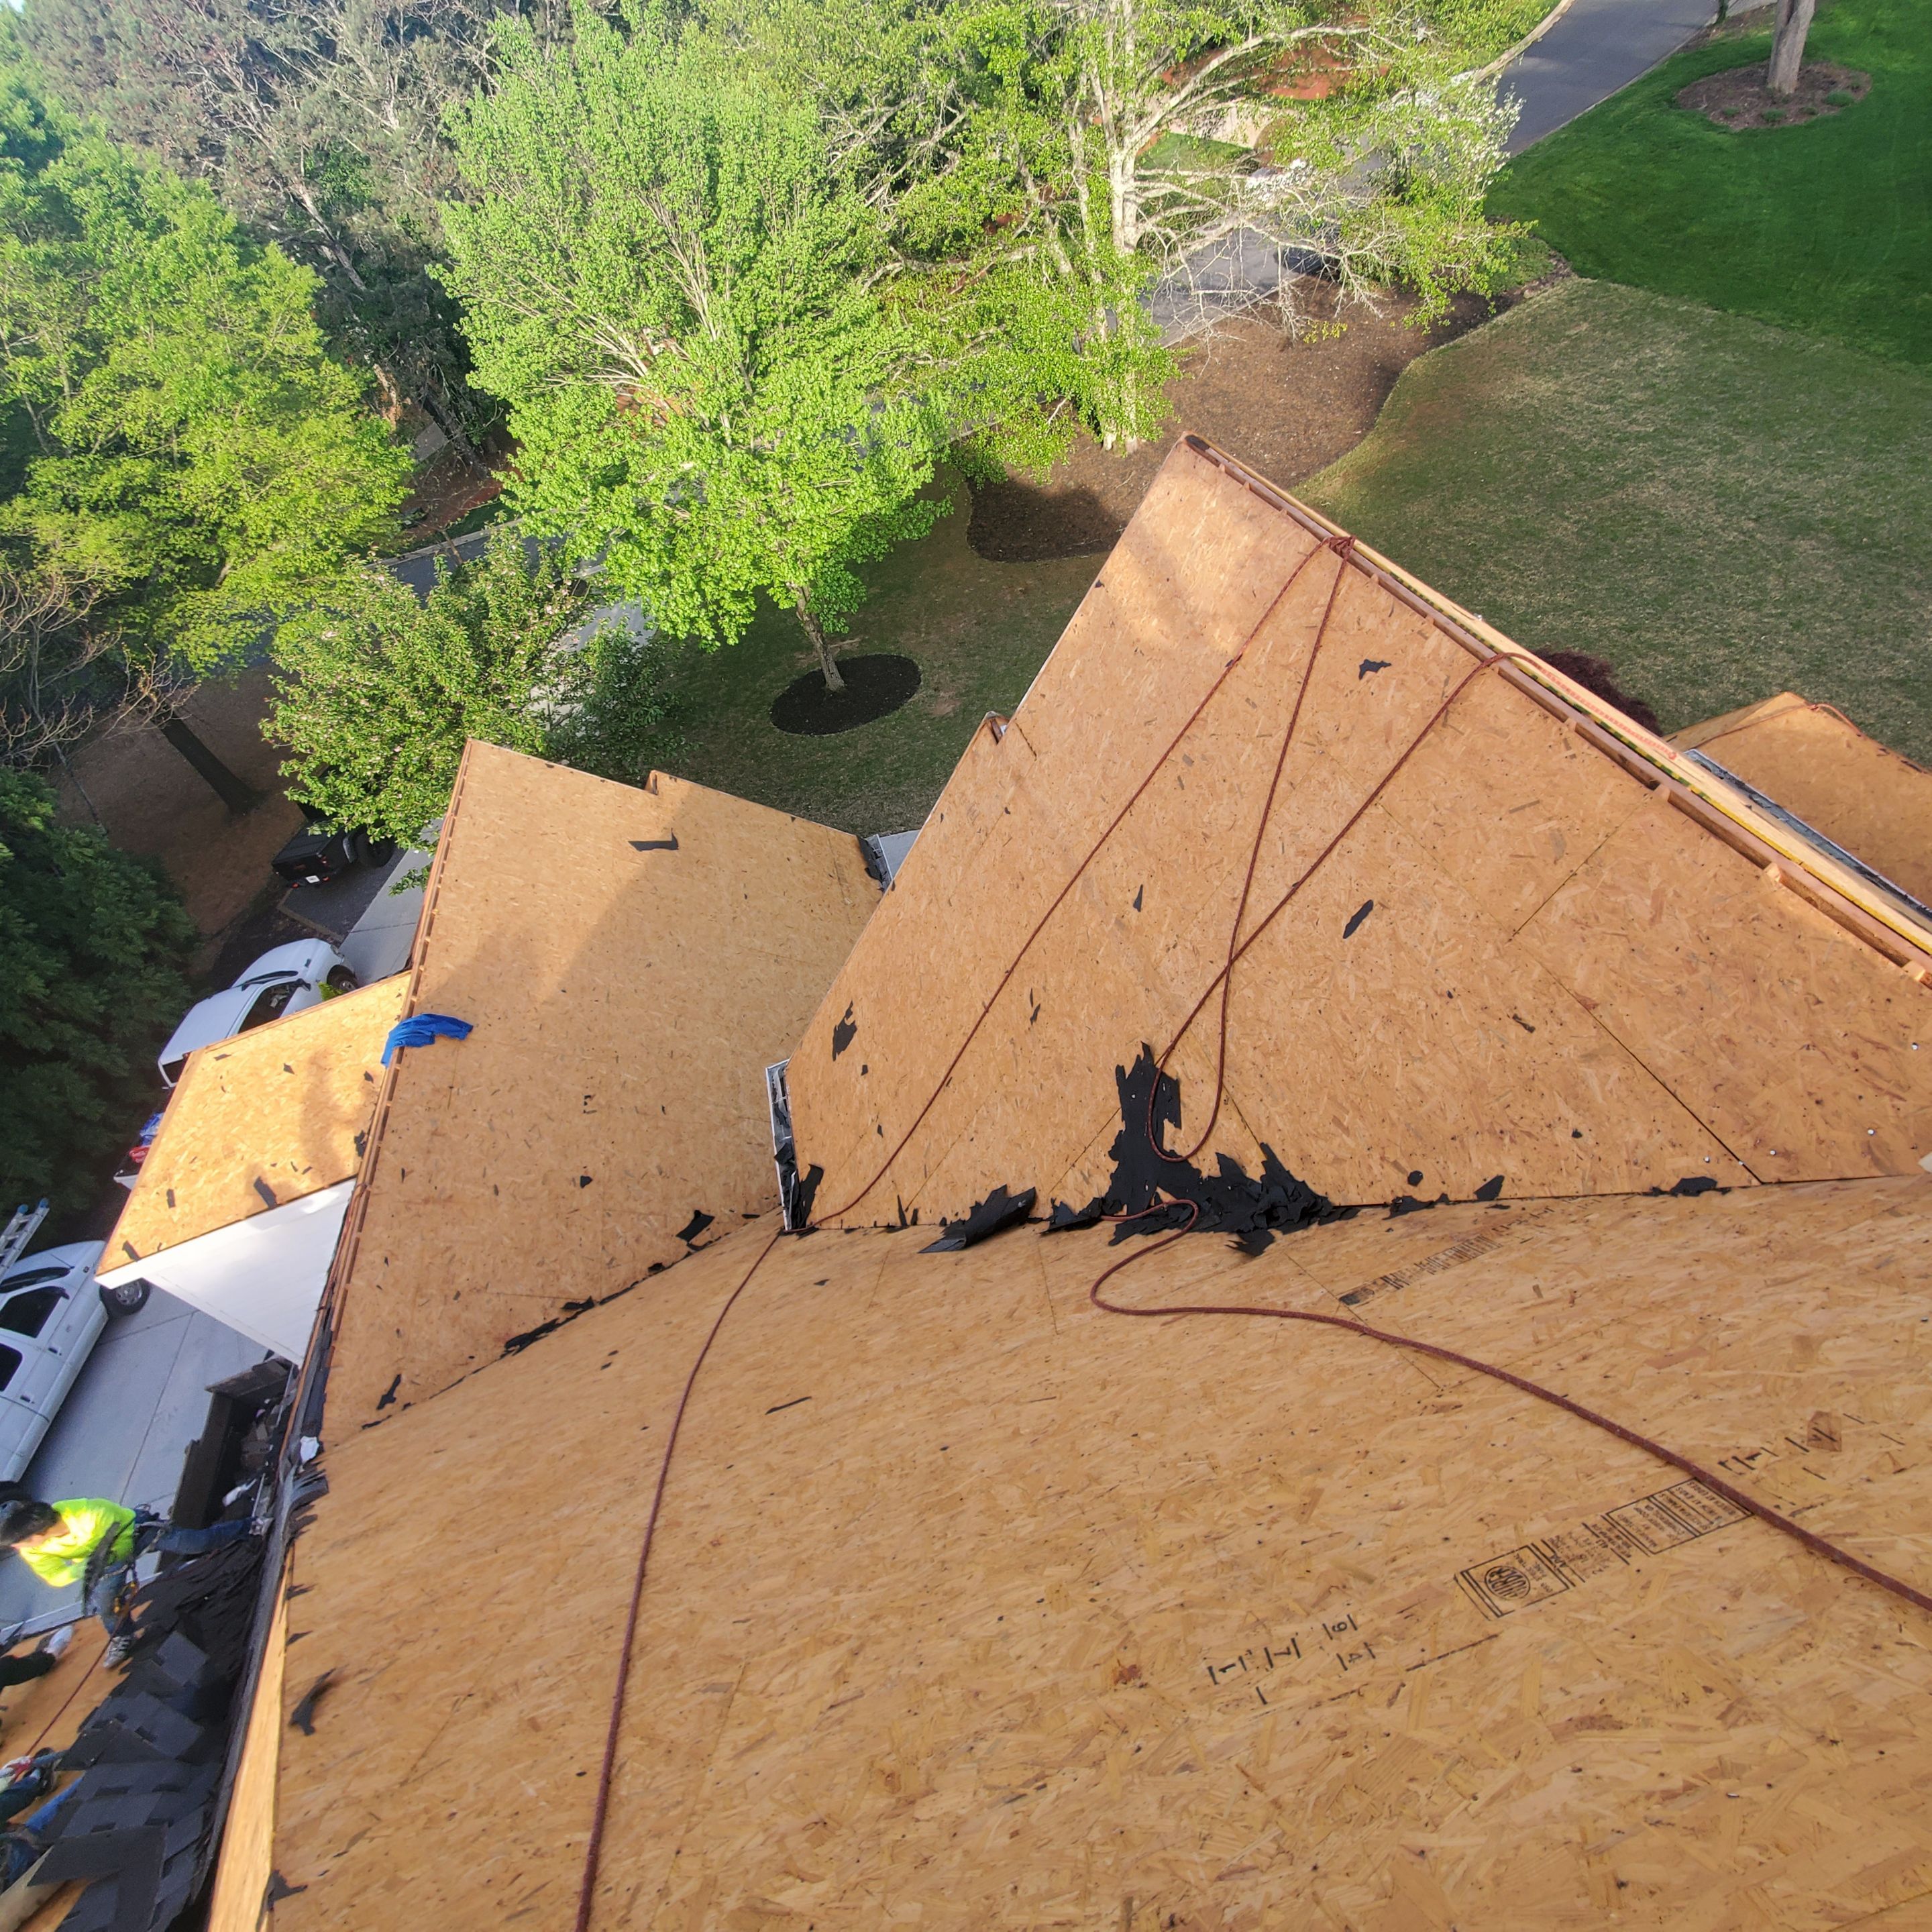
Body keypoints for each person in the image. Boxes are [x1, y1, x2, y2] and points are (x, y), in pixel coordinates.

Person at [0, 1499, 250, 1645]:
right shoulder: (32, 1550)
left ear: (36, 1533)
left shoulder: (86, 1513)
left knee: (197, 1543)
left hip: (135, 1532)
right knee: (107, 1606)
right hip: (101, 1563)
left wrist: (112, 1561)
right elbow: (54, 1576)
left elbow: (121, 1532)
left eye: (18, 1541)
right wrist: (83, 1569)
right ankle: (122, 1637)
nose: (16, 1548)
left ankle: (249, 1527)